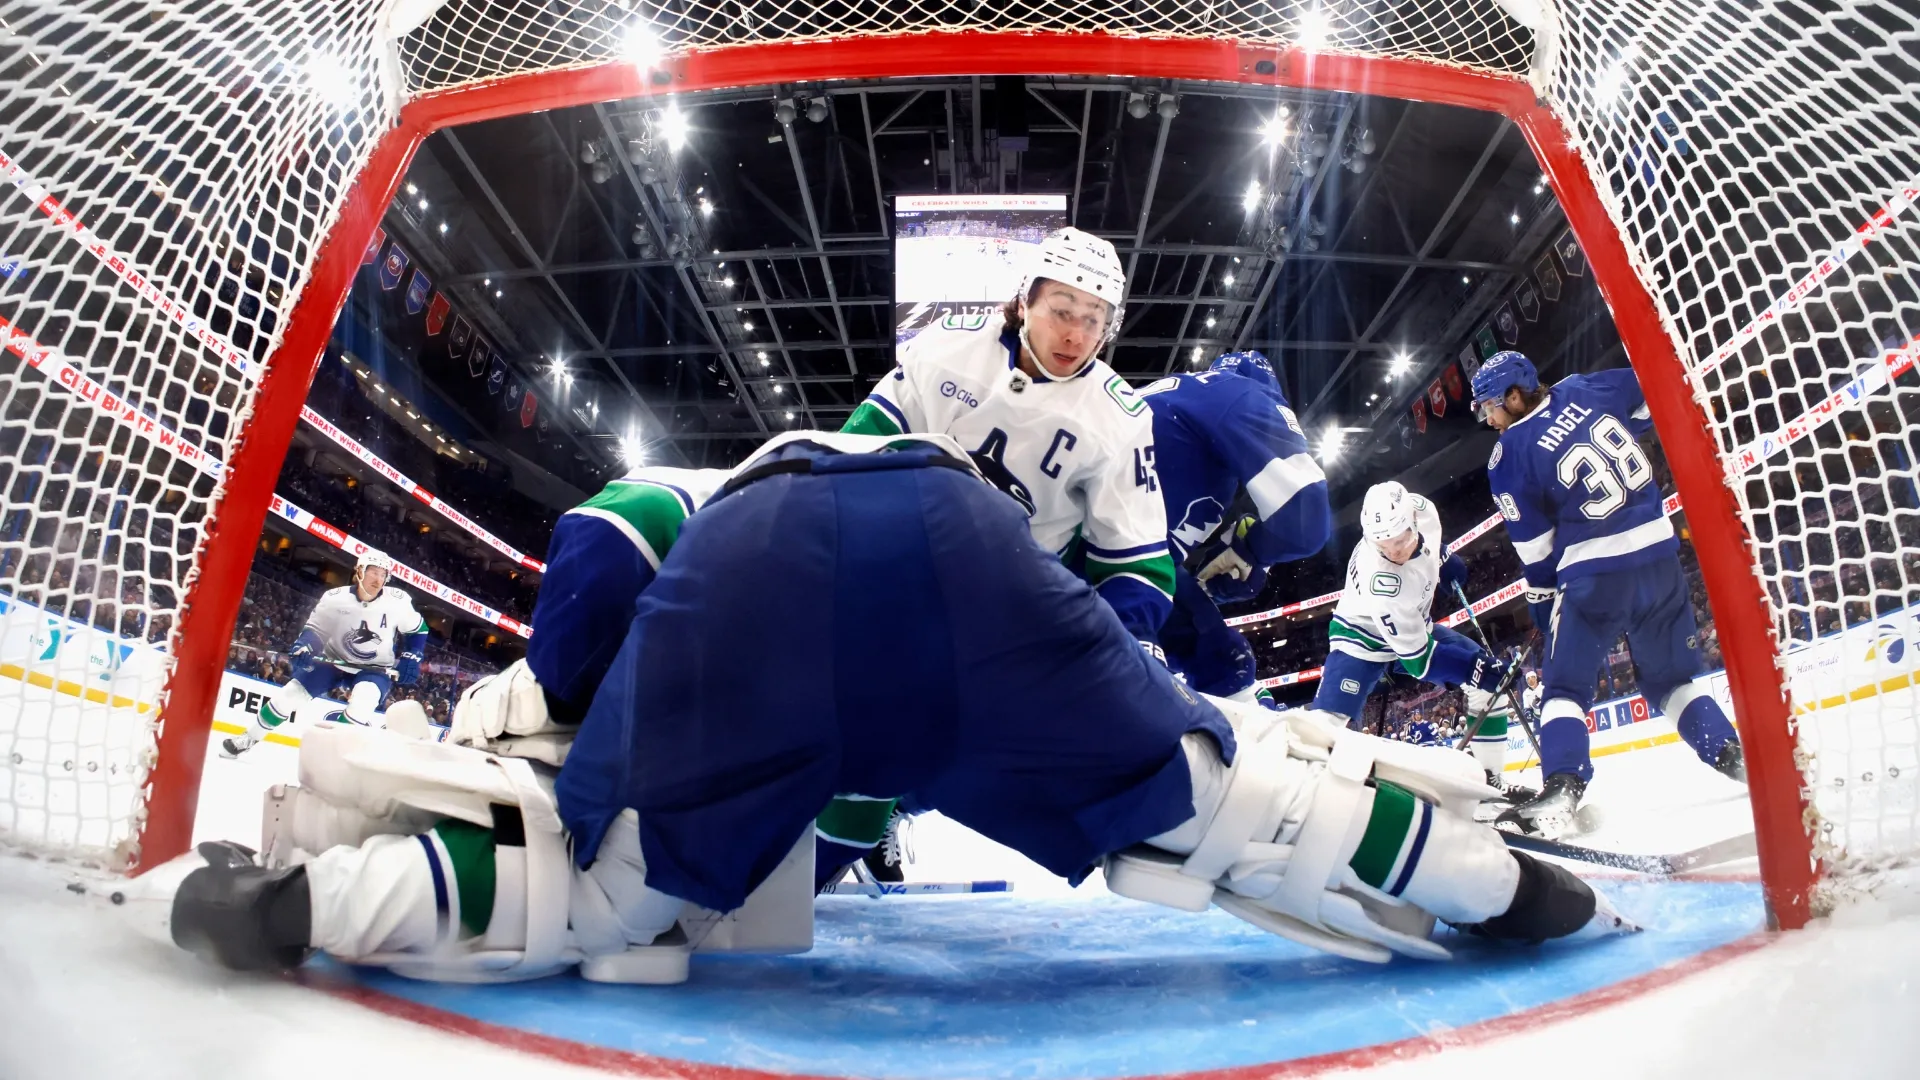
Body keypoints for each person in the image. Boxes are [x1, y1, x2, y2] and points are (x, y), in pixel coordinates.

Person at [156, 430, 1633, 984]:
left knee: (585, 895)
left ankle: (295, 906)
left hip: (761, 574)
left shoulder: (687, 496)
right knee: (1238, 803)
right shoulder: (982, 476)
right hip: (965, 556)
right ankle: (1508, 889)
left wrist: (561, 686)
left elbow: (610, 538)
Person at [834, 226, 1173, 881]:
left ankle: (887, 809)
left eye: (1094, 319)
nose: (1077, 334)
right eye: (1062, 311)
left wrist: (1118, 649)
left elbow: (1135, 562)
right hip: (900, 561)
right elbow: (858, 448)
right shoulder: (946, 348)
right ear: (1024, 302)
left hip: (1008, 603)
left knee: (969, 741)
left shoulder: (1120, 418)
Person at [1472, 351, 1744, 838]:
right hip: (1661, 558)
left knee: (1563, 690)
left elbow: (1537, 553)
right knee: (1668, 682)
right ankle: (1732, 754)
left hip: (1596, 575)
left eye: (1489, 406)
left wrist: (1541, 604)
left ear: (1513, 396)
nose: (1488, 420)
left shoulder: (1508, 454)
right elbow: (1650, 396)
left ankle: (1562, 788)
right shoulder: (1585, 387)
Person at [1136, 350, 1331, 704]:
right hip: (1103, 558)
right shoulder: (1240, 392)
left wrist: (1238, 556)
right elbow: (1306, 518)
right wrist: (1251, 551)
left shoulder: (1178, 403)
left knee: (1223, 662)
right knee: (1140, 687)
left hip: (1094, 549)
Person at [1309, 481, 1516, 791]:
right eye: (1383, 546)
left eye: (1399, 541)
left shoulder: (1423, 510)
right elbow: (1419, 660)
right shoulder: (1382, 580)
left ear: (1413, 521)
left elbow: (1429, 540)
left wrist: (1440, 556)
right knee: (1324, 727)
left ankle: (1489, 782)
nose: (1393, 553)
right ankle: (1311, 790)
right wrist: (1475, 669)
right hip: (1362, 639)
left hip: (1415, 625)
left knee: (1489, 689)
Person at [221, 551, 427, 757]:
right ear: (359, 571)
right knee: (290, 695)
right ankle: (249, 737)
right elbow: (316, 630)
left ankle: (328, 755)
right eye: (373, 572)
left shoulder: (398, 602)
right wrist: (305, 646)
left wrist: (413, 656)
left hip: (374, 669)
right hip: (332, 661)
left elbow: (418, 630)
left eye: (383, 574)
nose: (378, 579)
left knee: (364, 700)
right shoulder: (335, 598)